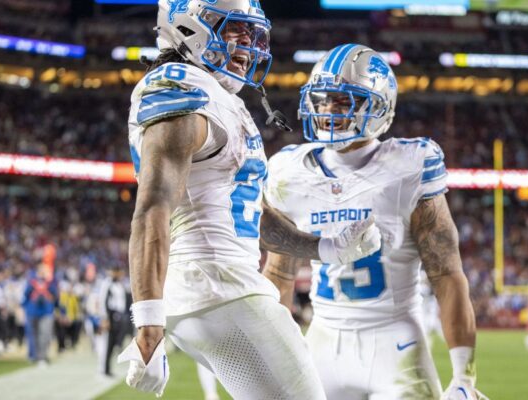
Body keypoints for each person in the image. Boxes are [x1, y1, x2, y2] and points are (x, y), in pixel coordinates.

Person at [117, 1, 380, 398]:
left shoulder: (217, 97)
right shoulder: (179, 88)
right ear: (189, 26)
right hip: (216, 287)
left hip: (222, 288)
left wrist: (326, 248)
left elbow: (250, 214)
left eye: (253, 33)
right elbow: (152, 207)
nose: (249, 43)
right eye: (234, 30)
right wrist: (148, 321)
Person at [262, 44, 485, 399]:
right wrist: (268, 354)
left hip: (394, 341)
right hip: (322, 341)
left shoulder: (410, 163)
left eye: (343, 101)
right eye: (322, 100)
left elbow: (446, 272)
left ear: (378, 105)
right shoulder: (289, 171)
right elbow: (279, 275)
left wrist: (463, 376)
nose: (327, 111)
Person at [23, 263, 57, 365]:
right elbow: (25, 295)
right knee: (33, 335)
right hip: (32, 312)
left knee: (45, 335)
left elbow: (55, 296)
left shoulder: (50, 283)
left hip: (46, 312)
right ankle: (34, 356)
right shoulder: (31, 282)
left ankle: (43, 356)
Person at [99, 267, 129, 377]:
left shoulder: (119, 284)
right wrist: (105, 318)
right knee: (108, 343)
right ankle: (104, 369)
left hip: (119, 315)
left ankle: (108, 368)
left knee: (113, 344)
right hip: (111, 315)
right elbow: (103, 301)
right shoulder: (107, 284)